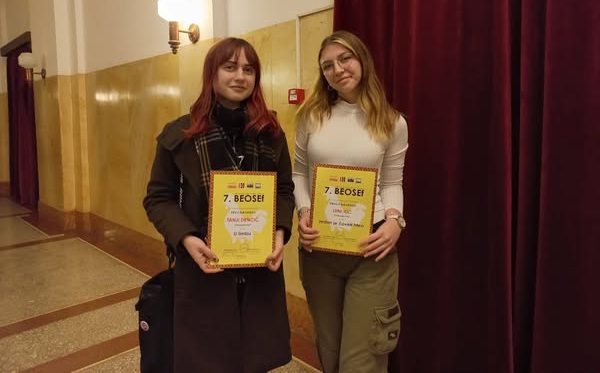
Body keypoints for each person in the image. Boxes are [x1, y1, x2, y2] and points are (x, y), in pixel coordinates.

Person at [143, 37, 295, 373]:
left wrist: (280, 232)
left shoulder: (270, 133)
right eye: (230, 67)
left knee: (255, 358)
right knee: (207, 361)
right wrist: (186, 238)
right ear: (212, 74)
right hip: (203, 272)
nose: (240, 76)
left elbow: (284, 189)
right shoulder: (179, 134)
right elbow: (158, 198)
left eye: (248, 69)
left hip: (259, 272)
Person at [293, 30, 409, 373]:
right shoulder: (311, 116)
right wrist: (304, 211)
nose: (338, 69)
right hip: (320, 249)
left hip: (372, 249)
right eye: (327, 65)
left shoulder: (393, 122)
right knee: (329, 351)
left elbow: (392, 182)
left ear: (362, 60)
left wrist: (395, 221)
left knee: (363, 360)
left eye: (345, 59)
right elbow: (299, 173)